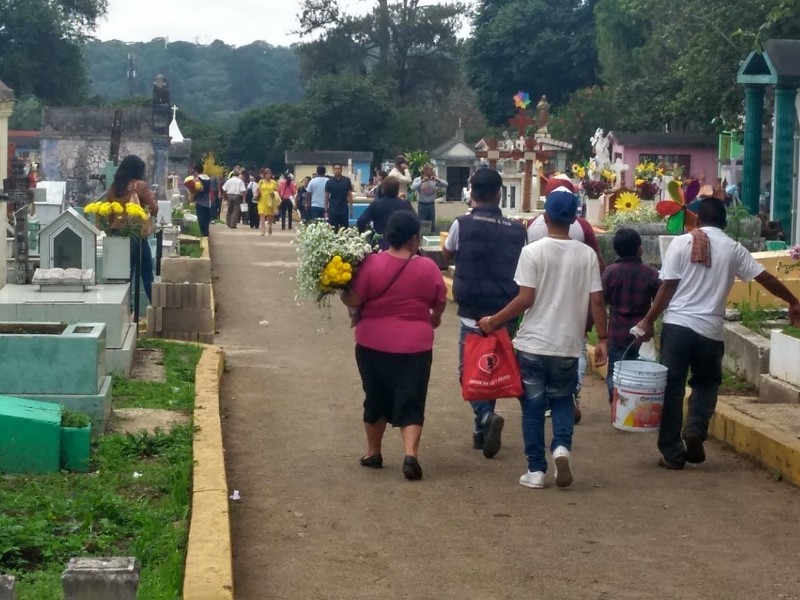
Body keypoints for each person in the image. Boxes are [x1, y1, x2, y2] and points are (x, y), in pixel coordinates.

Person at [635, 198, 800, 470]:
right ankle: (696, 429)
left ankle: (673, 454)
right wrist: (793, 300)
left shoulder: (681, 243)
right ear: (724, 223)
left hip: (677, 327)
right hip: (710, 331)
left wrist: (647, 320)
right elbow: (765, 278)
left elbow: (667, 287)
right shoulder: (733, 248)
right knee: (707, 383)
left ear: (697, 220)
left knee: (673, 388)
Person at [478, 186, 608, 489]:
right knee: (562, 400)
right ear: (574, 220)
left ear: (545, 217)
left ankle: (536, 470)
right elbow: (598, 301)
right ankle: (561, 448)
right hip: (567, 345)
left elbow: (525, 299)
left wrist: (494, 320)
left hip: (533, 344)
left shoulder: (532, 252)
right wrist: (602, 339)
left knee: (533, 407)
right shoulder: (587, 255)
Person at [340, 211, 447, 481]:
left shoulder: (370, 264)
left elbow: (354, 301)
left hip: (372, 342)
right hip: (415, 344)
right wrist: (434, 319)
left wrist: (340, 286)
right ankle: (410, 454)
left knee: (375, 396)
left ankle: (373, 452)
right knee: (412, 398)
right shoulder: (427, 267)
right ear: (414, 238)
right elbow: (439, 301)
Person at [441, 167, 527, 459]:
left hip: (472, 312)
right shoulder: (517, 229)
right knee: (491, 368)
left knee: (470, 371)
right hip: (505, 312)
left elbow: (447, 253)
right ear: (499, 193)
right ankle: (481, 430)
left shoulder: (462, 224)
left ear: (471, 192)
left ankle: (485, 418)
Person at [526, 176, 607, 423]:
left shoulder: (531, 225)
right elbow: (598, 262)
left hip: (540, 302)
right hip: (576, 302)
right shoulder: (582, 227)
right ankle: (571, 393)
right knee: (578, 348)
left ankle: (546, 401)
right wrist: (603, 335)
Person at [602, 227, 660, 402]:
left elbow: (600, 300)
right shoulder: (650, 274)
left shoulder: (610, 272)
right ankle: (635, 405)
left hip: (616, 334)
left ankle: (616, 399)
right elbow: (660, 300)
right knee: (639, 372)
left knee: (615, 371)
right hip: (641, 335)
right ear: (640, 248)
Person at [104, 155, 159, 302]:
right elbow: (153, 210)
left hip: (117, 235)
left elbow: (109, 213)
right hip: (136, 234)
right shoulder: (139, 186)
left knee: (123, 277)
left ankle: (126, 313)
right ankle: (157, 309)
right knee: (147, 274)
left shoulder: (114, 188)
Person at [356, 177, 414, 249]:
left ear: (383, 189)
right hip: (401, 245)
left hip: (380, 244)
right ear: (397, 189)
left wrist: (363, 236)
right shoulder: (405, 204)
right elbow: (415, 223)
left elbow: (361, 221)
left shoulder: (376, 204)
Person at [410, 164, 447, 233]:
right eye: (430, 170)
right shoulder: (418, 179)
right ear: (425, 170)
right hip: (422, 204)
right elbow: (412, 188)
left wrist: (437, 180)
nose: (432, 171)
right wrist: (422, 182)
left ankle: (432, 233)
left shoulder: (434, 180)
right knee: (422, 223)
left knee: (432, 222)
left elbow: (446, 184)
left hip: (431, 204)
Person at [325, 163, 353, 230]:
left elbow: (349, 195)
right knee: (333, 230)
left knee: (344, 230)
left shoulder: (346, 181)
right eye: (335, 169)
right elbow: (326, 197)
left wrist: (351, 209)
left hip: (344, 209)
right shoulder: (329, 182)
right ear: (333, 170)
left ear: (341, 170)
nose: (337, 170)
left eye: (339, 168)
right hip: (333, 210)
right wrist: (326, 210)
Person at [188, 163, 212, 236]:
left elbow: (197, 188)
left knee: (201, 218)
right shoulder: (208, 178)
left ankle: (202, 232)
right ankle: (206, 231)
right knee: (206, 218)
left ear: (195, 171)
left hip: (200, 201)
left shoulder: (198, 179)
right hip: (207, 201)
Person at [256, 168, 279, 236]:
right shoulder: (261, 182)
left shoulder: (274, 182)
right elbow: (257, 190)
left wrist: (274, 193)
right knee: (262, 215)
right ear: (264, 175)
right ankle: (263, 231)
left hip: (270, 200)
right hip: (262, 200)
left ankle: (270, 226)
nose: (268, 175)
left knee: (270, 216)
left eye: (269, 174)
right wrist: (258, 192)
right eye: (267, 174)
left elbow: (277, 191)